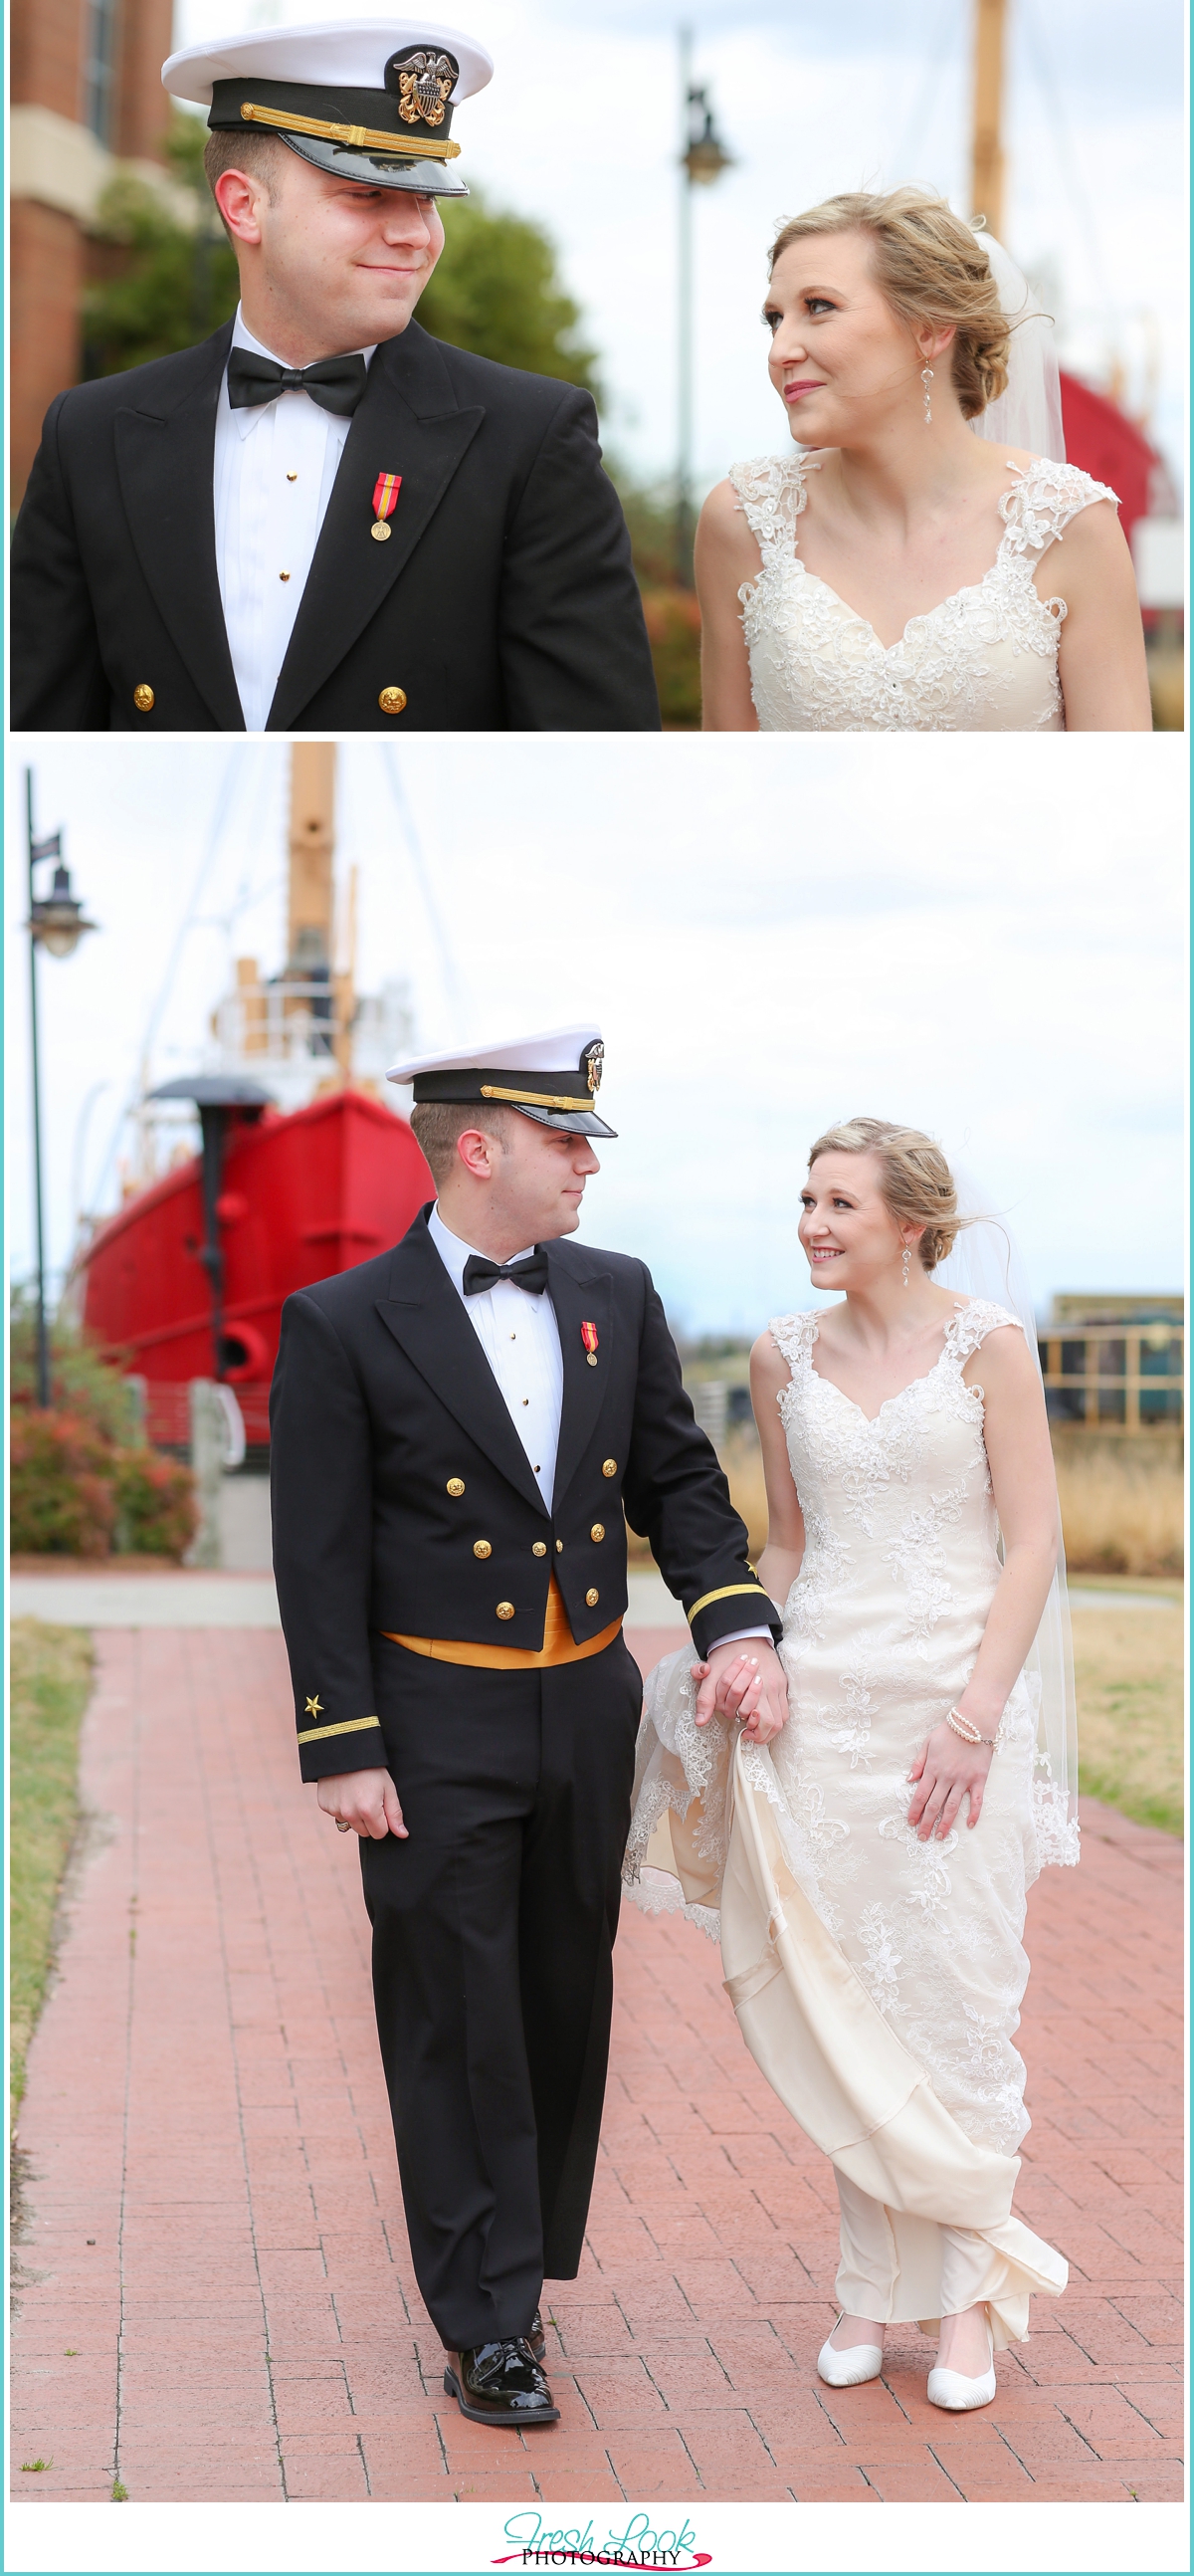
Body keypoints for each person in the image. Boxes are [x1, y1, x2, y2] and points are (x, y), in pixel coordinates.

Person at [269, 1024, 788, 2429]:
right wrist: (342, 1739)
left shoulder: (617, 1290)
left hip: (585, 1703)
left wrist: (735, 1618)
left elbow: (678, 1481)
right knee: (455, 2013)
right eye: (566, 1140)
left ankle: (520, 2267)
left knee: (564, 1998)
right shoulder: (341, 1322)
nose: (586, 1164)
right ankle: (487, 2318)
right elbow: (316, 1555)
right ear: (478, 1147)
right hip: (431, 1713)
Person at [625, 1117, 1077, 2413]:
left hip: (954, 1711)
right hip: (825, 1714)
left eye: (840, 1202)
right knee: (854, 2003)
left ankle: (973, 2298)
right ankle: (867, 2291)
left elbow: (1034, 1543)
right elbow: (786, 1545)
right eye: (806, 1198)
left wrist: (976, 1713)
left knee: (957, 1993)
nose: (815, 1221)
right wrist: (749, 1657)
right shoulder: (780, 1354)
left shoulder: (988, 1346)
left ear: (910, 1222)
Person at [11, 18, 659, 734]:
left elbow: (593, 757)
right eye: (367, 195)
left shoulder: (528, 440)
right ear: (244, 205)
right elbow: (37, 742)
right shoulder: (91, 433)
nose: (415, 233)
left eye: (426, 198)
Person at [696, 187, 1152, 732]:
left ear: (931, 328)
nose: (780, 350)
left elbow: (1117, 789)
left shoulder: (1070, 526)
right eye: (775, 318)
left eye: (819, 307)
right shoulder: (743, 520)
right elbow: (725, 771)